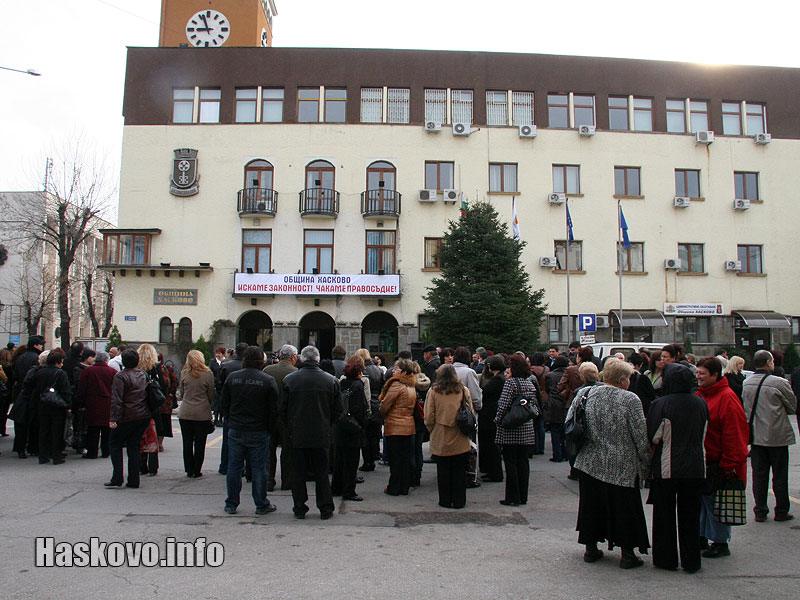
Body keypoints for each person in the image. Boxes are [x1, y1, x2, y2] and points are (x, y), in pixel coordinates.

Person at [570, 358, 651, 569]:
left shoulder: (585, 393)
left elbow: (570, 421)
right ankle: (627, 553)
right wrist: (646, 462)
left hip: (589, 460)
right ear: (623, 380)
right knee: (625, 509)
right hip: (622, 463)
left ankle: (590, 548)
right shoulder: (630, 399)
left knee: (591, 506)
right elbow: (640, 435)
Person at [647, 363, 709, 573]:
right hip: (696, 465)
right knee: (690, 514)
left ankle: (666, 558)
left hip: (668, 465)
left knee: (664, 514)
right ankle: (691, 560)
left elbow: (654, 436)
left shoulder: (662, 404)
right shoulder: (701, 403)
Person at [695, 356, 748, 558]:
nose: (698, 377)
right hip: (706, 460)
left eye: (702, 374)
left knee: (717, 504)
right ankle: (703, 536)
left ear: (715, 375)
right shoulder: (703, 394)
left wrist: (730, 463)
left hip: (720, 462)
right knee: (704, 502)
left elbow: (735, 434)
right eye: (697, 373)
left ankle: (719, 541)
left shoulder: (727, 398)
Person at [282, 345, 342, 519]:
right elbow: (338, 410)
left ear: (301, 358)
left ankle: (299, 507)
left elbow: (282, 409)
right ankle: (325, 508)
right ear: (317, 359)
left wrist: (291, 426)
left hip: (298, 433)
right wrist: (327, 424)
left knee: (298, 473)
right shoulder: (331, 380)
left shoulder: (290, 380)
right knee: (322, 473)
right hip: (322, 433)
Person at [219, 346, 279, 515]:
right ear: (261, 360)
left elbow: (224, 403)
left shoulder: (233, 378)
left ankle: (231, 503)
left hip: (237, 428)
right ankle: (261, 504)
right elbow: (273, 409)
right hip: (259, 429)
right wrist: (268, 428)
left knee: (234, 467)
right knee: (259, 468)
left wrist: (231, 421)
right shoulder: (267, 380)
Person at [743, 350, 797, 523]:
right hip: (776, 434)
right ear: (768, 363)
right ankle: (781, 510)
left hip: (756, 435)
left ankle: (760, 510)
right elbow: (792, 406)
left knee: (759, 474)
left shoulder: (746, 383)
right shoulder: (779, 383)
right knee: (780, 474)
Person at [425, 363, 475, 508]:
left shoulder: (433, 392)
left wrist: (432, 430)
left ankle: (445, 500)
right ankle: (459, 500)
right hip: (460, 433)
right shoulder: (463, 390)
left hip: (441, 432)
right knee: (459, 470)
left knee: (443, 470)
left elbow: (429, 416)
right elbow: (470, 411)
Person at [494, 355, 538, 506]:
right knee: (523, 463)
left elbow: (503, 405)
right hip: (526, 427)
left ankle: (512, 496)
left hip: (511, 428)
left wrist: (498, 421)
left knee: (510, 463)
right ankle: (523, 496)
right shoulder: (529, 383)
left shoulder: (510, 384)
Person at [107, 349, 150, 489]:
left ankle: (117, 477)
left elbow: (117, 399)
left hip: (126, 415)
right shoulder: (143, 374)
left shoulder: (121, 376)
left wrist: (113, 418)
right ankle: (134, 478)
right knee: (134, 446)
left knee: (115, 444)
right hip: (142, 414)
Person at [23, 348, 71, 465]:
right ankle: (56, 455)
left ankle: (43, 455)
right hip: (57, 405)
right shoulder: (61, 373)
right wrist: (68, 405)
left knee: (43, 430)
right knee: (57, 431)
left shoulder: (39, 372)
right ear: (57, 362)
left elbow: (30, 384)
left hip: (42, 403)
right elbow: (65, 391)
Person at [378, 358, 418, 496]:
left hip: (395, 425)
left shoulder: (396, 385)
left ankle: (394, 487)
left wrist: (382, 414)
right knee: (405, 458)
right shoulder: (411, 386)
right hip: (408, 425)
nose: (393, 371)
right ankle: (404, 486)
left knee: (395, 460)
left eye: (397, 369)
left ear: (404, 372)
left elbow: (385, 404)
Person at [331, 361, 369, 501]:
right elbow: (359, 408)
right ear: (358, 373)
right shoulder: (358, 386)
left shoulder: (342, 384)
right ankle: (349, 491)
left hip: (341, 426)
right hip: (353, 427)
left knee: (340, 460)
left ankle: (336, 487)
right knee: (351, 462)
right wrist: (362, 424)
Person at [263, 344, 298, 492]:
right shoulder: (296, 373)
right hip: (287, 418)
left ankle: (269, 481)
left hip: (269, 416)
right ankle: (287, 481)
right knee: (287, 450)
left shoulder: (267, 370)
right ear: (293, 357)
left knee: (269, 451)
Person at [178, 350, 215, 478]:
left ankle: (188, 468)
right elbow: (211, 393)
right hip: (202, 412)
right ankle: (197, 469)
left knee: (187, 442)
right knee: (200, 443)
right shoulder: (208, 374)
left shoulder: (184, 373)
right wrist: (206, 404)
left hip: (186, 412)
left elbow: (182, 392)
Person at [76, 351, 116, 459]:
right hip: (108, 403)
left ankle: (92, 452)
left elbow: (82, 388)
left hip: (92, 403)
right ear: (106, 360)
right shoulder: (112, 372)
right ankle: (106, 451)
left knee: (92, 429)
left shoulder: (88, 370)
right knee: (106, 429)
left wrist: (81, 402)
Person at [217, 342, 247, 475]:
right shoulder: (249, 367)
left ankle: (225, 466)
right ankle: (242, 468)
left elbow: (219, 387)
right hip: (245, 408)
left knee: (228, 439)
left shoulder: (226, 366)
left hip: (230, 407)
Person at [13, 336, 44, 458]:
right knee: (32, 423)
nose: (42, 346)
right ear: (36, 345)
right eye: (41, 344)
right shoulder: (35, 359)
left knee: (21, 423)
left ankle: (20, 447)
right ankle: (31, 447)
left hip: (21, 392)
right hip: (31, 394)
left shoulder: (21, 357)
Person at [137, 344, 165, 476]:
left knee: (140, 436)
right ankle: (153, 466)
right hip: (152, 406)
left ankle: (141, 465)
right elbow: (163, 387)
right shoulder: (155, 368)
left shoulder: (135, 368)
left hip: (138, 406)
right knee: (152, 436)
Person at [478, 355, 506, 482]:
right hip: (491, 413)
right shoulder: (500, 378)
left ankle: (495, 473)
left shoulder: (497, 380)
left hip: (490, 414)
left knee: (491, 445)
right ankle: (492, 471)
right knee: (491, 445)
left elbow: (484, 392)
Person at [355, 348, 383, 472]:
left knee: (365, 435)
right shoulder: (378, 369)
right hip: (377, 402)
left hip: (366, 403)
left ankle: (368, 461)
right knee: (375, 433)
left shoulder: (362, 371)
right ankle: (375, 455)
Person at [545, 355, 570, 462]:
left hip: (554, 403)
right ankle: (565, 453)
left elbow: (548, 389)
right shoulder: (569, 374)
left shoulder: (550, 375)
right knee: (565, 431)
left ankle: (557, 454)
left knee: (554, 430)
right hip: (566, 402)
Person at [529, 352, 549, 456]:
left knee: (534, 424)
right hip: (545, 396)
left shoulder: (532, 370)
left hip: (536, 397)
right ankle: (541, 447)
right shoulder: (547, 369)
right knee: (541, 424)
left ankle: (535, 447)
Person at [0, 348, 13, 437]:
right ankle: (2, 429)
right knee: (4, 412)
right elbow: (12, 379)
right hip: (6, 392)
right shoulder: (8, 367)